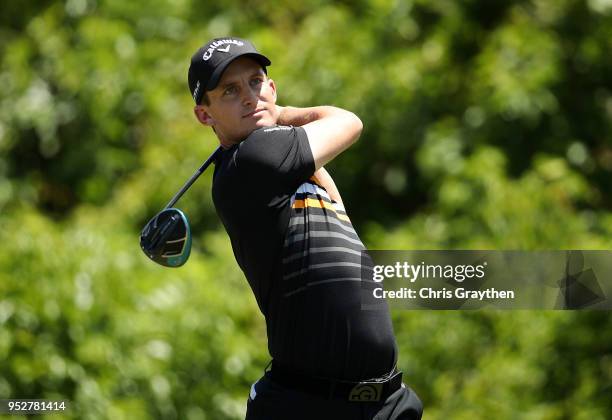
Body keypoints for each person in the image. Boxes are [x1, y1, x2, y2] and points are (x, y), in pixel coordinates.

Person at [187, 37, 423, 420]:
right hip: (311, 406)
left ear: (271, 86)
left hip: (385, 402)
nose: (250, 97)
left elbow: (340, 212)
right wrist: (282, 113)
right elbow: (349, 122)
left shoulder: (284, 169)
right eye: (230, 90)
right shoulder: (251, 161)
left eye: (256, 81)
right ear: (205, 115)